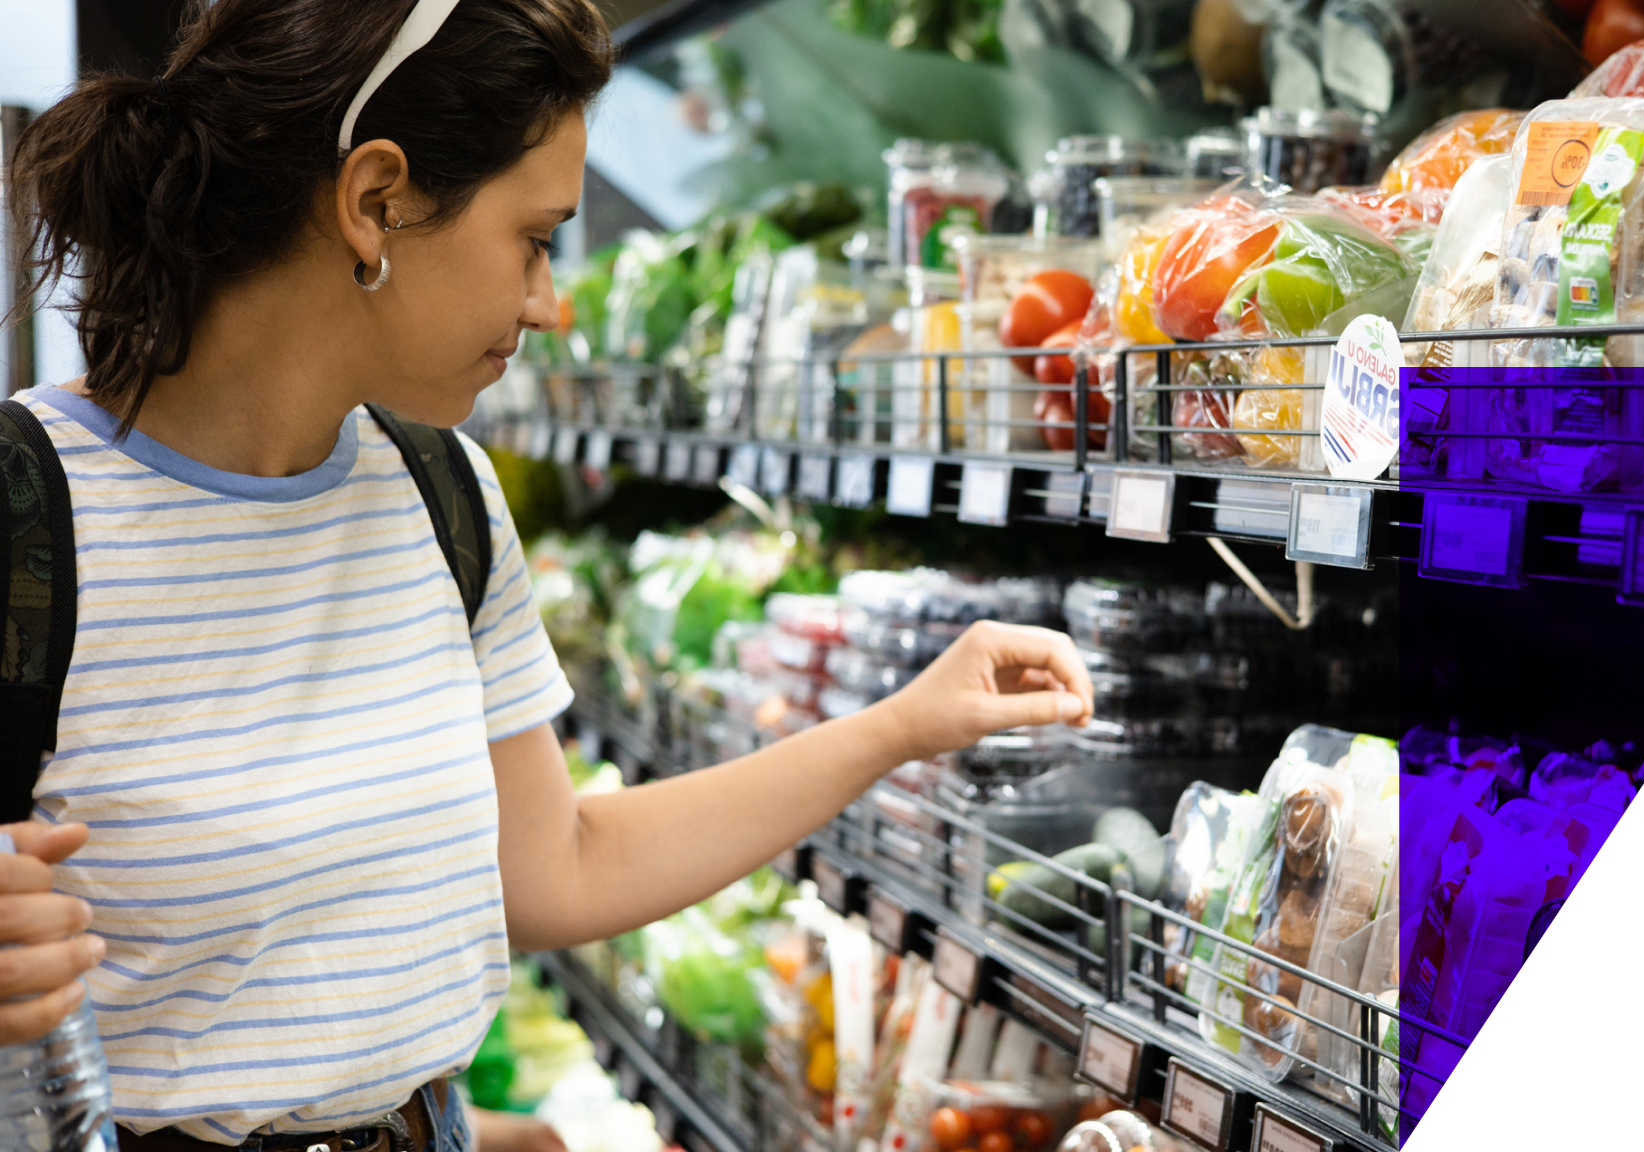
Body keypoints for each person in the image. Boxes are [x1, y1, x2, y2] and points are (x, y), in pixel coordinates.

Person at [0, 1, 1093, 1149]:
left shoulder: (444, 498)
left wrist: (905, 723)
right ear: (377, 202)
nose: (547, 301)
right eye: (535, 238)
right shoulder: (32, 516)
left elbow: (560, 867)